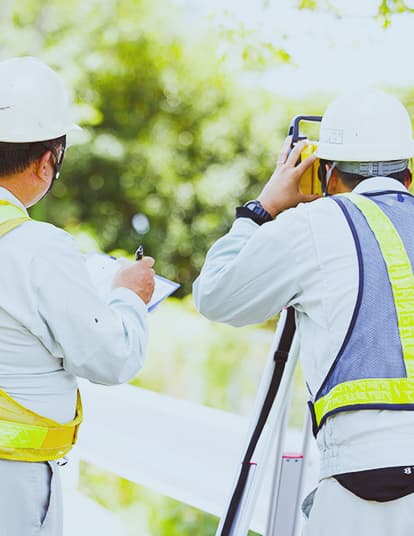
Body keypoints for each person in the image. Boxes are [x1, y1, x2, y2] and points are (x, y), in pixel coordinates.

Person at [193, 89, 414, 536]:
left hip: (359, 468)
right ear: (407, 175)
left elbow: (215, 294)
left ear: (326, 173)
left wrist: (264, 207)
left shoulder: (315, 224)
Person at [0, 57, 155, 535]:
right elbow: (112, 357)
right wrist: (129, 296)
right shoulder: (36, 248)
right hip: (14, 486)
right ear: (49, 159)